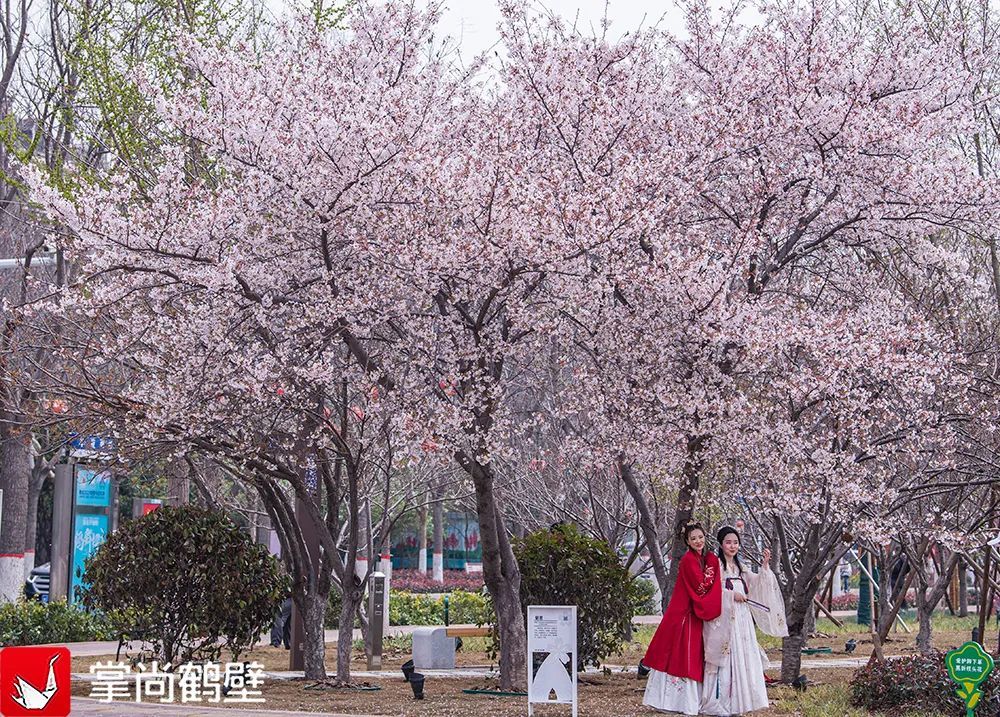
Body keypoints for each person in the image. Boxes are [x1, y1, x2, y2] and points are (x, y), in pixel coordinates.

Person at [701, 527, 788, 716]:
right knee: (726, 655)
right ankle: (719, 701)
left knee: (742, 653)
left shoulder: (741, 567)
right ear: (721, 544)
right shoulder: (715, 565)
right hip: (724, 618)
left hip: (741, 617)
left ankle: (740, 701)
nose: (732, 546)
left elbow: (756, 584)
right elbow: (709, 591)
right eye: (728, 542)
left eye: (735, 542)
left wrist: (765, 566)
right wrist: (732, 595)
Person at [642, 521, 722, 715]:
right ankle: (678, 702)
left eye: (700, 537)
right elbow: (700, 586)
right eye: (693, 538)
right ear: (687, 541)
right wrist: (712, 567)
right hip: (685, 614)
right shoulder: (688, 560)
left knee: (687, 654)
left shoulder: (703, 559)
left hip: (689, 612)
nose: (698, 541)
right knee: (684, 655)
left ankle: (682, 701)